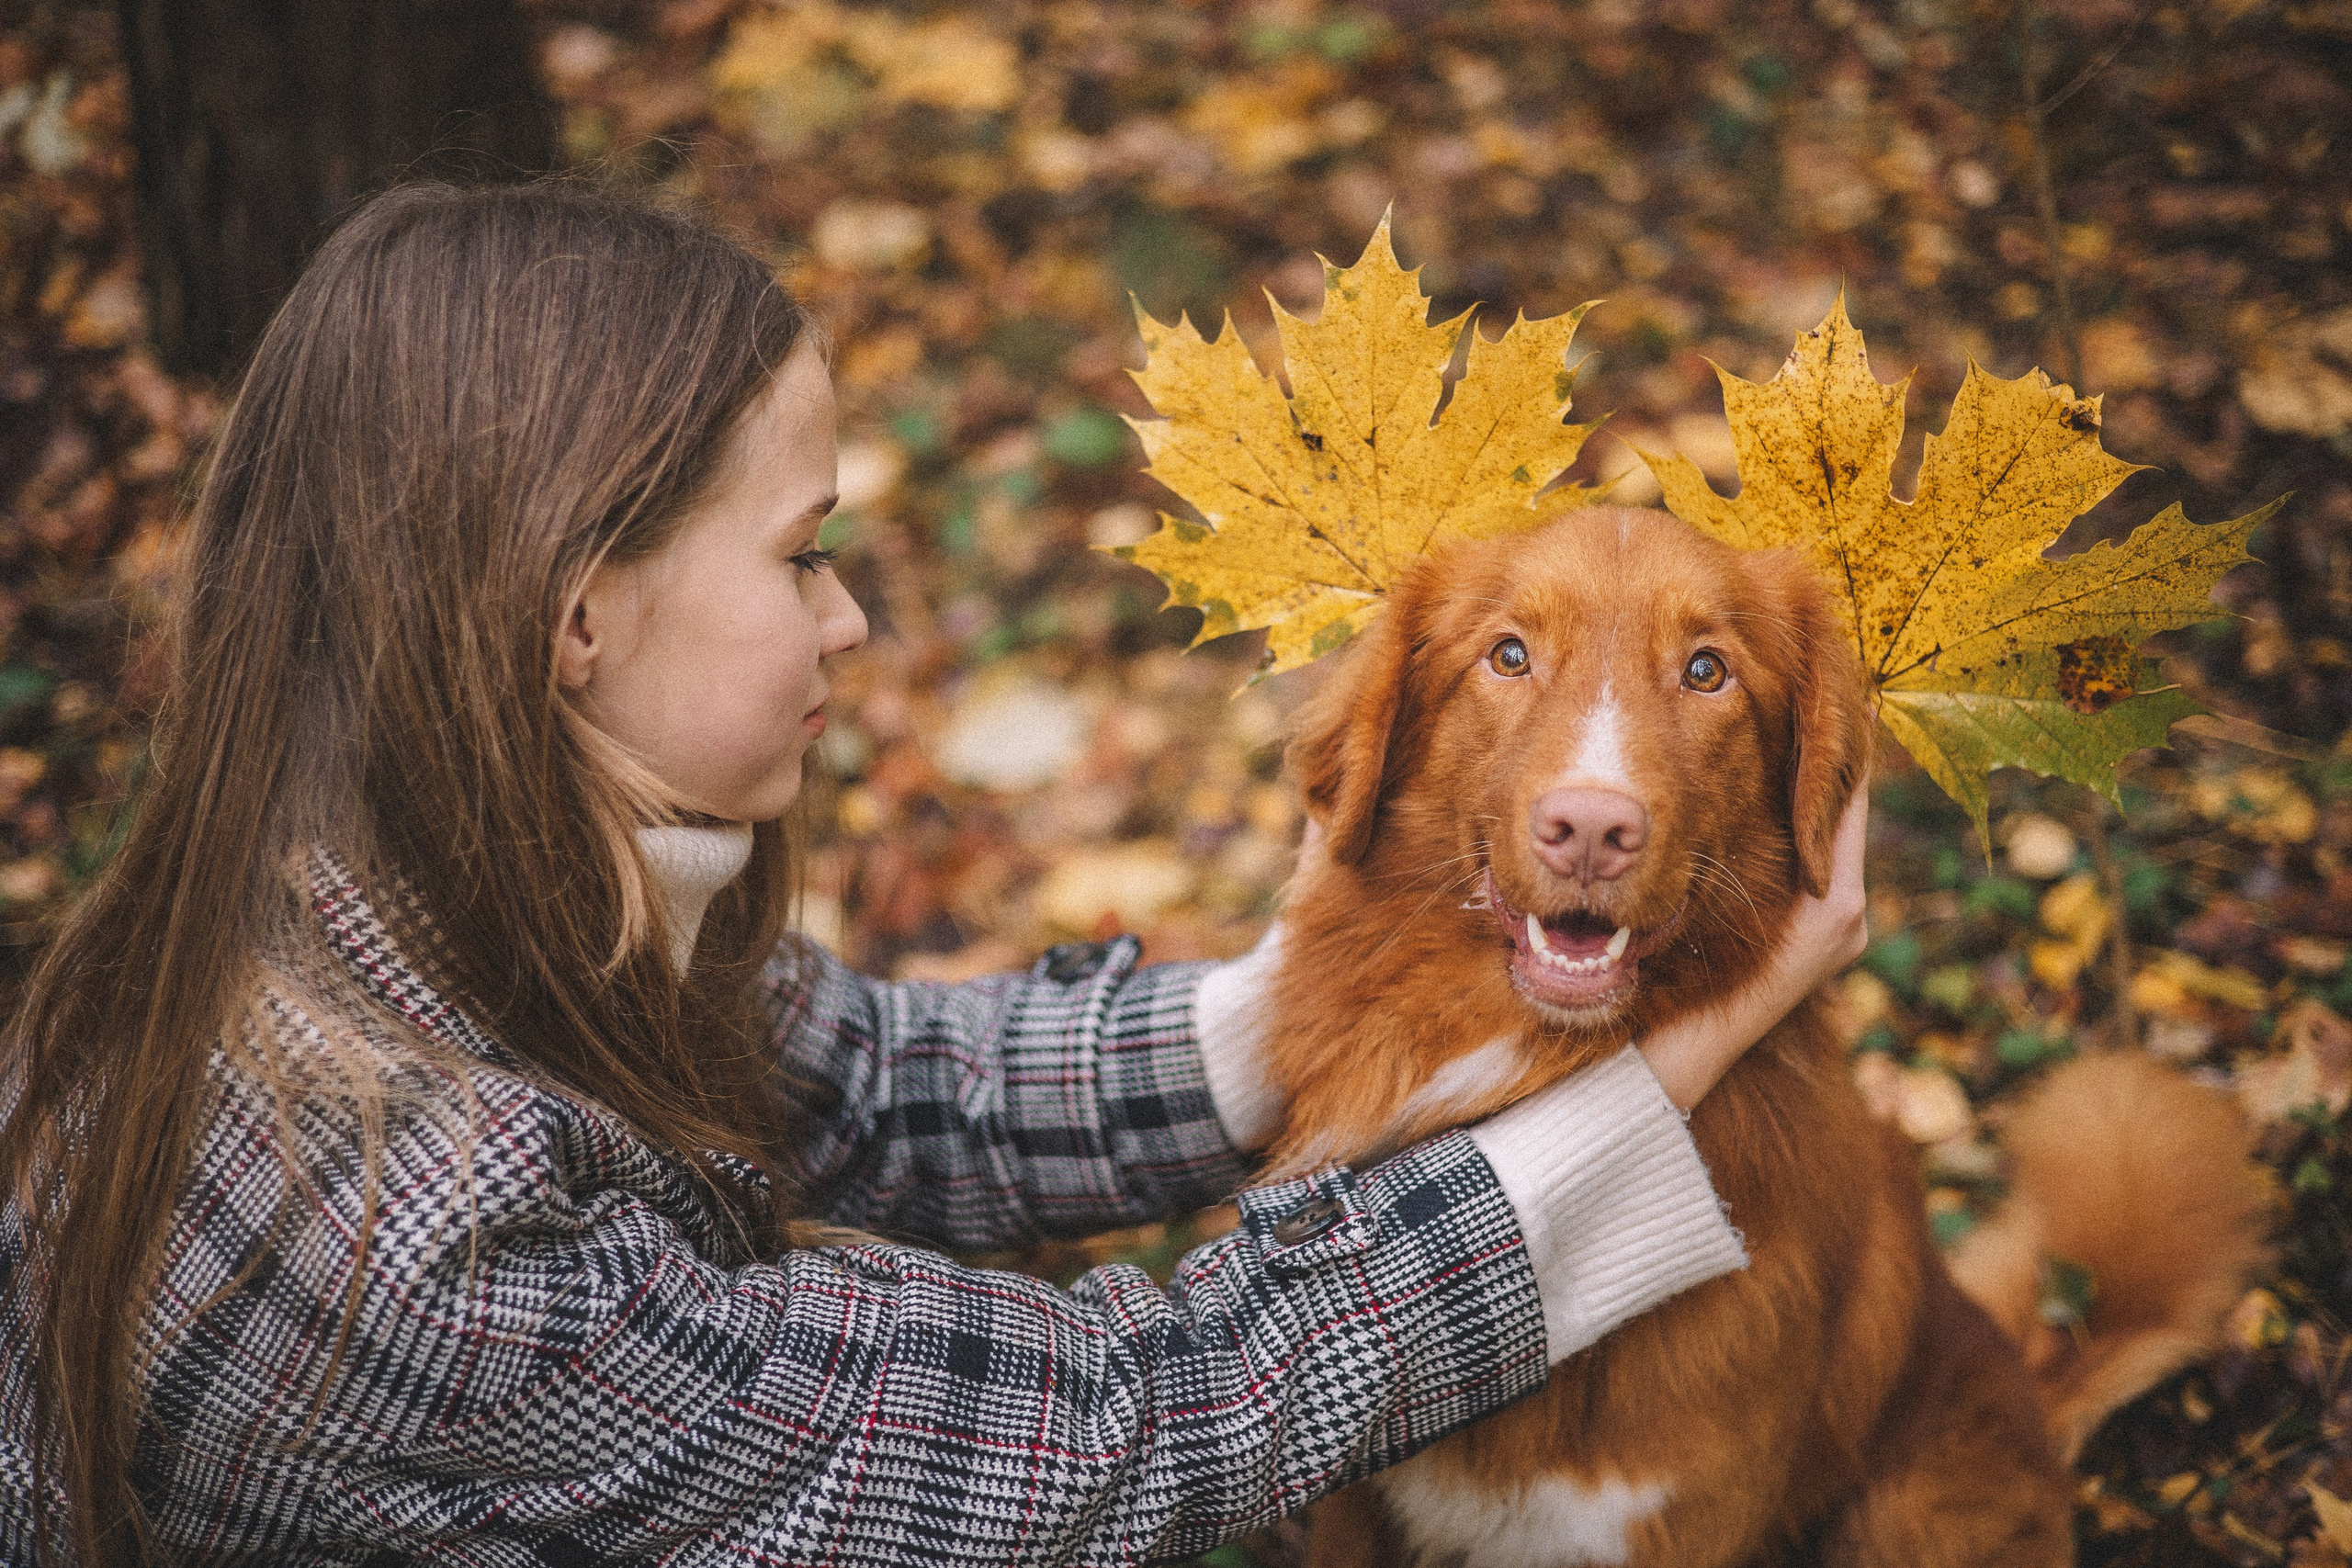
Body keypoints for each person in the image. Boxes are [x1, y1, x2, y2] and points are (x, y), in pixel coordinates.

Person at [0, 181, 1869, 1566]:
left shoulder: (420, 886)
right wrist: (1652, 1092)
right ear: (579, 613)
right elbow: (1114, 1428)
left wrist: (1324, 995)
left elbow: (891, 1086)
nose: (851, 616)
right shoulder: (409, 1228)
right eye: (804, 554)